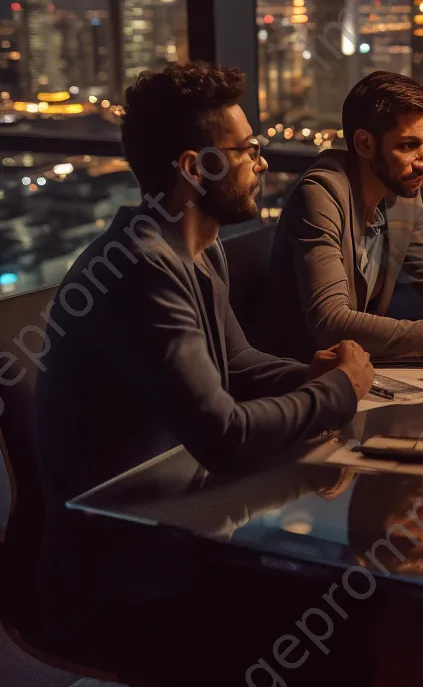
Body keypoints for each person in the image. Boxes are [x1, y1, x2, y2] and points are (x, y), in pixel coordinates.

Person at [32, 61, 375, 681]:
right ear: (196, 168)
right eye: (247, 150)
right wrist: (338, 392)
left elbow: (237, 364)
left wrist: (311, 374)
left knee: (362, 592)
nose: (262, 164)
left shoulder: (195, 245)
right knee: (352, 605)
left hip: (181, 525)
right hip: (123, 573)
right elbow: (224, 436)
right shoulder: (140, 269)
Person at [252, 71, 423, 361]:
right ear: (365, 144)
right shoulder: (320, 194)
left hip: (357, 367)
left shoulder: (399, 190)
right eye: (408, 146)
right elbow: (331, 322)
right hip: (299, 374)